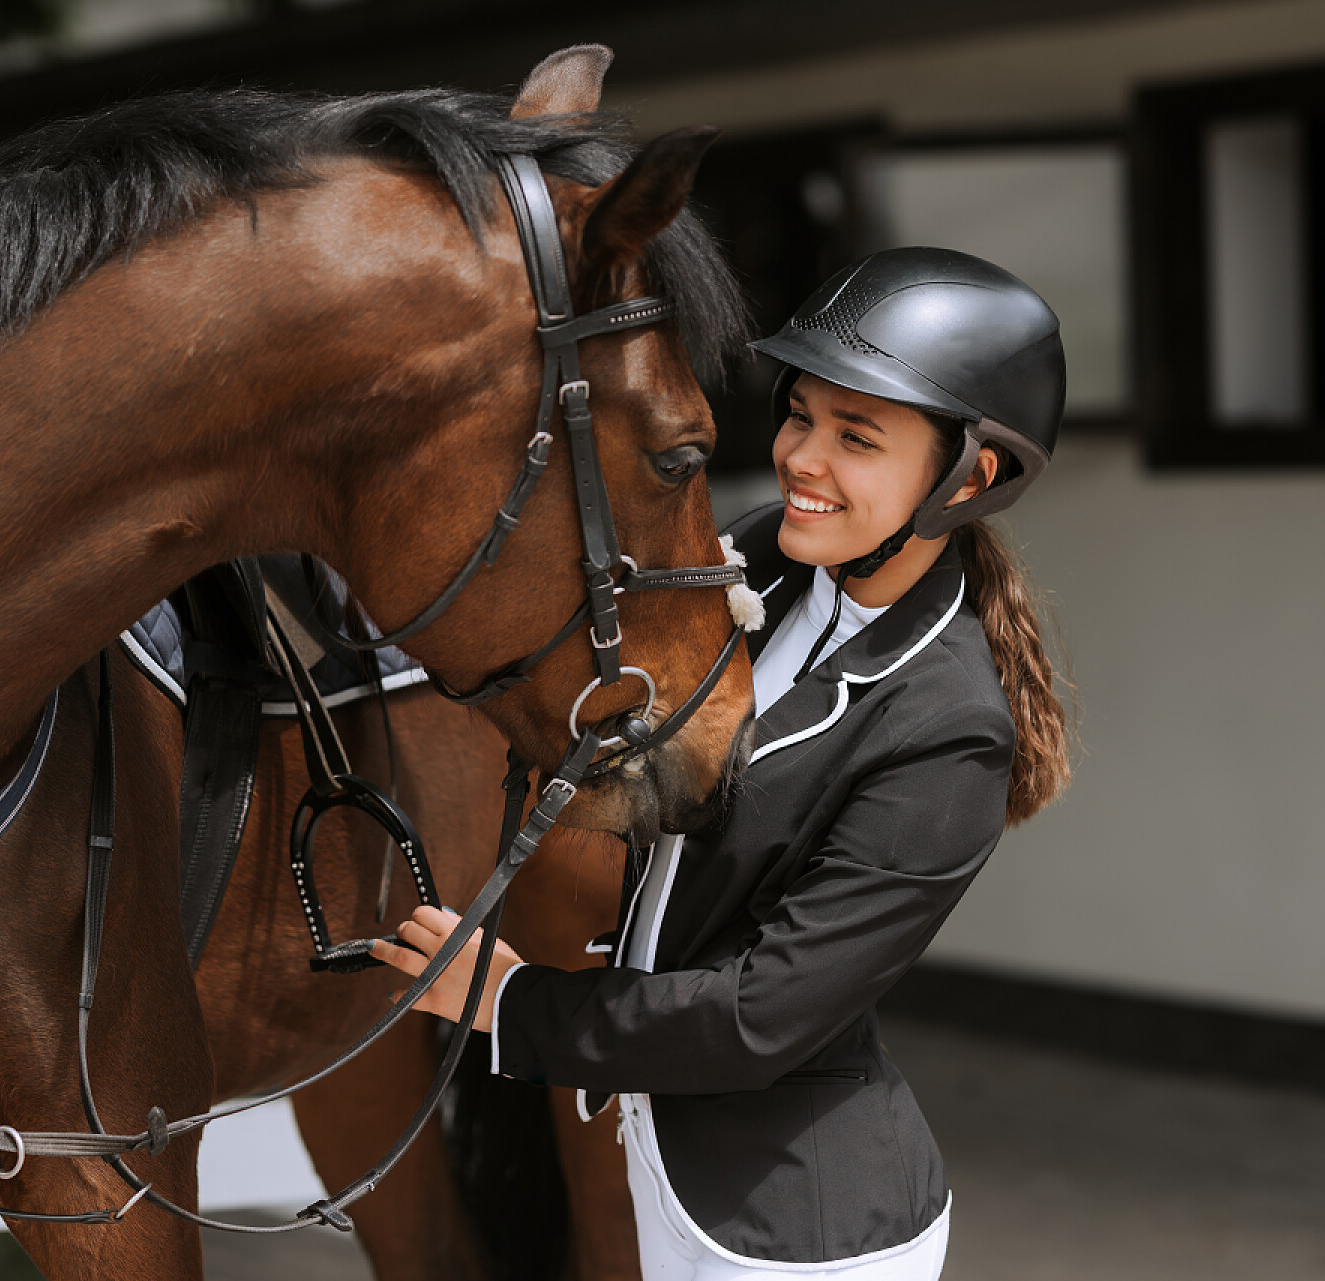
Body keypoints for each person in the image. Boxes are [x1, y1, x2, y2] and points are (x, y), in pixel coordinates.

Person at [373, 246, 1074, 1279]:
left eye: (857, 437)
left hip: (802, 1227)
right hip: (682, 1171)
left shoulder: (949, 732)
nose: (803, 457)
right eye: (802, 416)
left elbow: (764, 1016)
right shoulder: (768, 563)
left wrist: (513, 1005)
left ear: (971, 475)